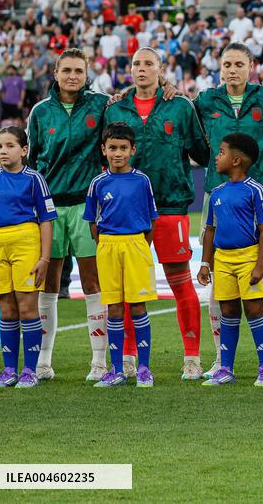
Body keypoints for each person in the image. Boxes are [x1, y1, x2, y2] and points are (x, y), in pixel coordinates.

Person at [105, 48, 211, 380]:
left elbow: (202, 152)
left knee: (181, 283)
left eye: (148, 63)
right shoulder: (115, 109)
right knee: (127, 289)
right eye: (136, 63)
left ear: (160, 69)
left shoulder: (180, 106)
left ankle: (192, 357)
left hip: (170, 205)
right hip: (127, 211)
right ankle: (127, 358)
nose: (141, 69)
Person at [194, 42, 263, 379]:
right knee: (220, 284)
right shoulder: (205, 100)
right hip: (218, 197)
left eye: (238, 64)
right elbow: (193, 139)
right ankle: (222, 361)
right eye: (227, 64)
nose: (232, 70)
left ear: (251, 67)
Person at [27, 48, 110, 382]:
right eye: (67, 70)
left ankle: (99, 362)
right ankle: (43, 362)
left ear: (87, 73)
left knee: (92, 281)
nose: (73, 76)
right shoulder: (40, 112)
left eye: (79, 70)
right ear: (56, 73)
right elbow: (32, 162)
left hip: (88, 207)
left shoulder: (101, 104)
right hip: (49, 207)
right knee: (48, 282)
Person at [0, 126, 57, 388]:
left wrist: (44, 259)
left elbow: (46, 221)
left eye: (10, 146)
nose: (3, 151)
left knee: (27, 307)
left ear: (24, 150)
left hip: (26, 241)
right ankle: (9, 370)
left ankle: (29, 371)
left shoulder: (34, 179)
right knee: (6, 309)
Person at [197, 133, 263, 387]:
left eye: (221, 152)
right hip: (223, 259)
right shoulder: (217, 192)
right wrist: (205, 263)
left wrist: (260, 265)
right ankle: (226, 369)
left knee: (255, 310)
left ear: (236, 160)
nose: (217, 157)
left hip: (248, 257)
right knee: (228, 311)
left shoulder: (256, 190)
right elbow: (210, 230)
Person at [83, 123, 159, 388]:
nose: (118, 153)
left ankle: (144, 369)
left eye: (123, 148)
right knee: (114, 307)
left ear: (132, 150)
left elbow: (152, 219)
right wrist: (105, 244)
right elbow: (93, 222)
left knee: (137, 306)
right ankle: (116, 369)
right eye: (112, 148)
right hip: (108, 246)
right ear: (103, 150)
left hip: (135, 244)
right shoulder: (97, 183)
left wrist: (140, 245)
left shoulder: (142, 180)